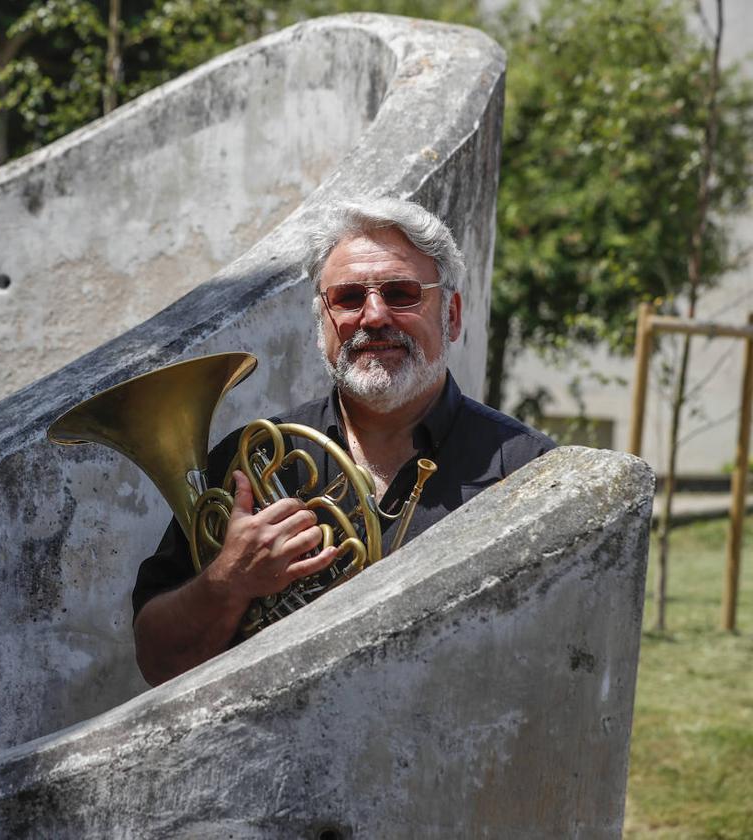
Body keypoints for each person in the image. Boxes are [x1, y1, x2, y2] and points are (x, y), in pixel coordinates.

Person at [131, 197, 555, 686]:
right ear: (321, 327)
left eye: (401, 293)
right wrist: (229, 579)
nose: (374, 316)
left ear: (452, 315)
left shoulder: (528, 470)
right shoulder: (253, 461)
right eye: (348, 298)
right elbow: (158, 665)